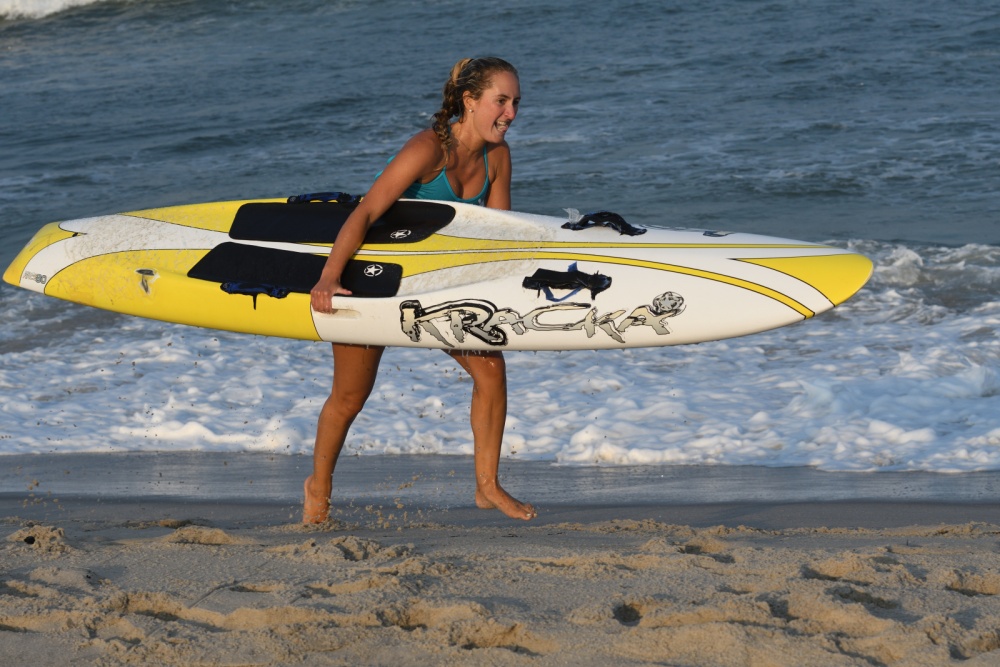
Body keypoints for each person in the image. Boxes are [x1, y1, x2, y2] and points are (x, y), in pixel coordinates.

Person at [304, 57, 537, 524]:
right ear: (470, 101)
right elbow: (365, 212)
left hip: (436, 286)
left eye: (516, 102)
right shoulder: (428, 150)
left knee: (491, 369)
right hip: (374, 279)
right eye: (501, 101)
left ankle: (487, 486)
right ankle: (318, 489)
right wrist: (329, 277)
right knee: (350, 397)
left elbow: (499, 238)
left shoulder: (497, 157)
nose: (511, 113)